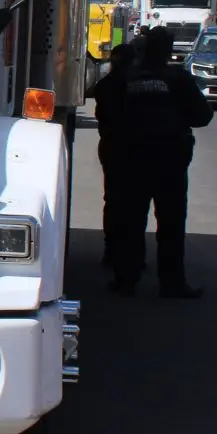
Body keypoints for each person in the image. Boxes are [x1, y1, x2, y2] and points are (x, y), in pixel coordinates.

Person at [95, 26, 213, 298]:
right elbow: (202, 116)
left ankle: (126, 280)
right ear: (167, 51)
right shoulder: (178, 79)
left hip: (131, 159)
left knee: (131, 221)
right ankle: (172, 283)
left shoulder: (122, 78)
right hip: (169, 160)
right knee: (171, 223)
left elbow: (104, 108)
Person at [94, 42, 135, 270]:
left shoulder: (105, 85)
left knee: (113, 200)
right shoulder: (132, 85)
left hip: (112, 146)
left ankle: (112, 249)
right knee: (131, 203)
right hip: (127, 148)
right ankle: (125, 251)